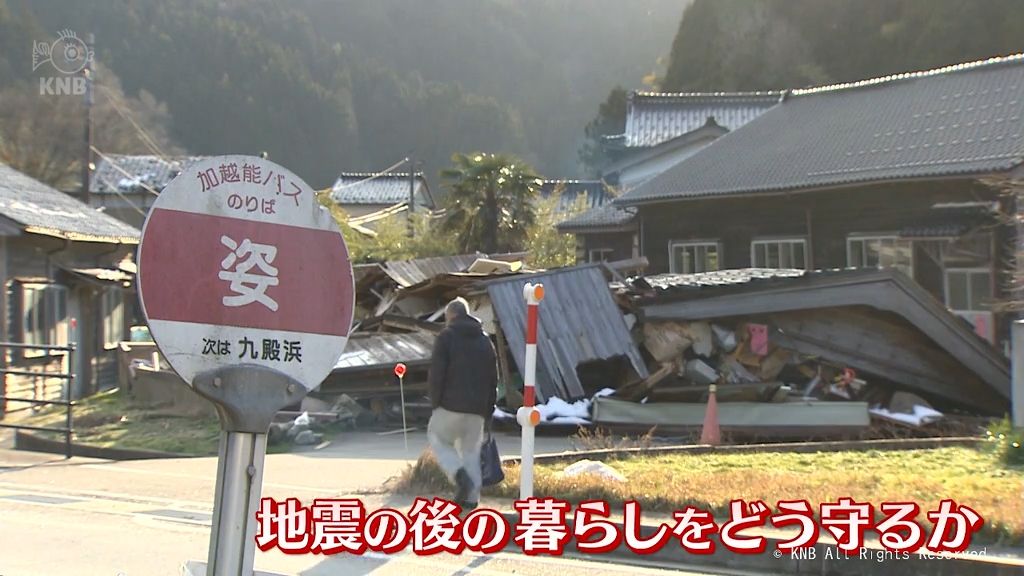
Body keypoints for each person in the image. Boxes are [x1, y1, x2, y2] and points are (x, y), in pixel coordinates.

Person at [427, 297, 497, 510]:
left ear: (451, 316)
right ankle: (471, 501)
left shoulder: (446, 337)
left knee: (437, 436)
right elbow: (493, 378)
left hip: (450, 404)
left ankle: (459, 474)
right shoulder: (485, 340)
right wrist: (488, 410)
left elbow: (437, 373)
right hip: (477, 410)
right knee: (471, 452)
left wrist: (435, 402)